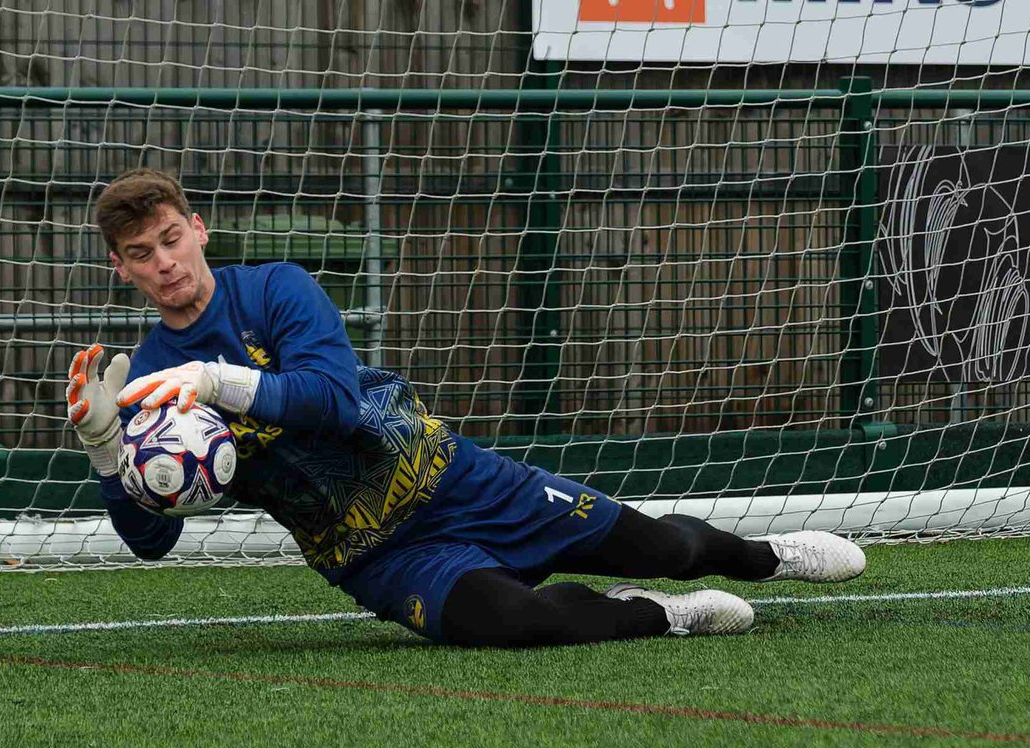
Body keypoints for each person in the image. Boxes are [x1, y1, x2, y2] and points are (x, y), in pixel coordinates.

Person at [65, 168, 866, 647]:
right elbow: (153, 539)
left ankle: (768, 557)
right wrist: (107, 449)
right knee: (512, 621)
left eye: (171, 238)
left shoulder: (276, 290)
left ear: (198, 228)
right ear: (120, 268)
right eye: (141, 253)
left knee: (663, 542)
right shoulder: (147, 381)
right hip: (375, 553)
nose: (164, 262)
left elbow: (334, 402)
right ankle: (660, 616)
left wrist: (217, 382)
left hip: (452, 479)